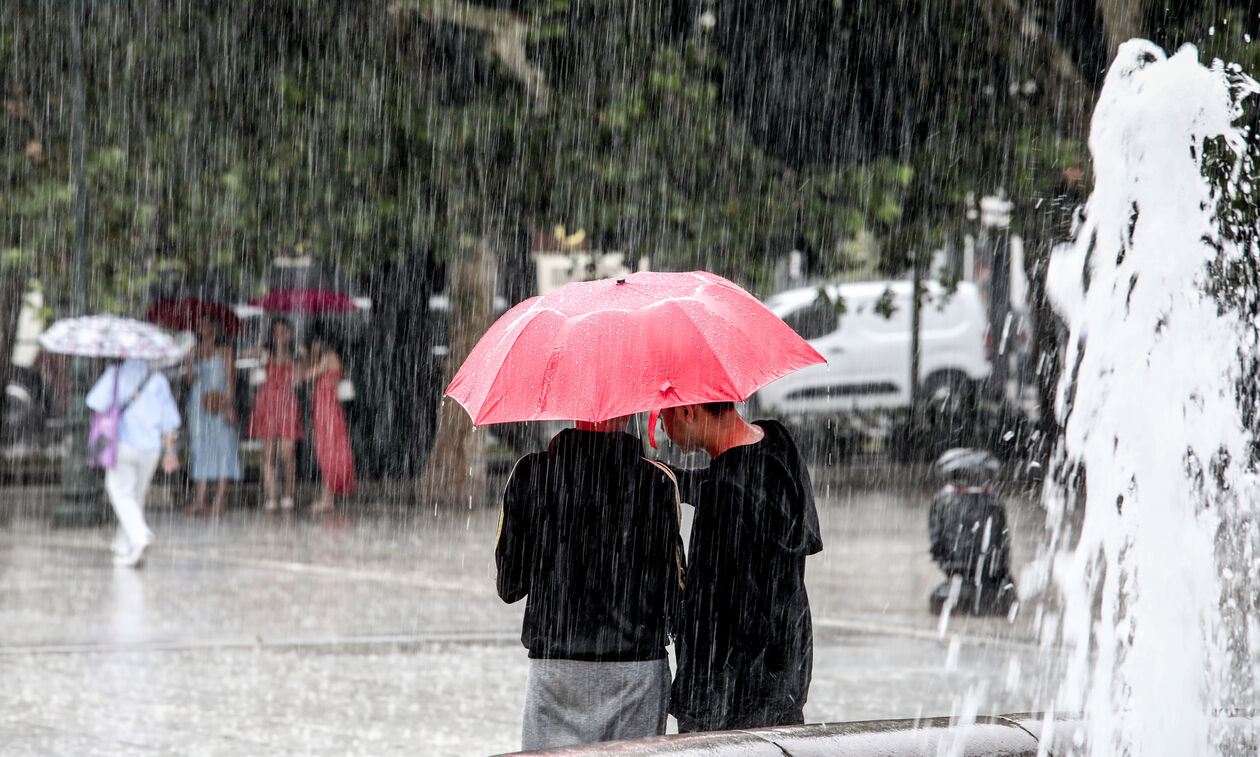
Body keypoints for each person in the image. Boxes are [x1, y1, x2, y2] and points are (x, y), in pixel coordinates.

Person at [495, 416, 684, 750]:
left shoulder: (530, 473)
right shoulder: (657, 481)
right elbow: (676, 598)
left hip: (556, 668)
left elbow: (509, 586)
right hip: (636, 669)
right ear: (628, 411)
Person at [660, 401, 822, 733]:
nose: (661, 427)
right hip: (785, 676)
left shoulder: (724, 497)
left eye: (662, 414)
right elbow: (740, 480)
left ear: (689, 410)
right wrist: (675, 479)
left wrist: (695, 710)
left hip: (731, 704)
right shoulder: (777, 443)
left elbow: (711, 618)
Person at [86, 358, 181, 568]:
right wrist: (170, 452)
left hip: (123, 444)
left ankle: (140, 535)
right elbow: (168, 422)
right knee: (135, 495)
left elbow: (95, 403)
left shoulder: (115, 374)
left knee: (119, 491)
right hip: (152, 449)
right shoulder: (158, 379)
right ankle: (124, 546)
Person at [927, 448, 1017, 616]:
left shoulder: (942, 499)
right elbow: (1003, 542)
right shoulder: (993, 499)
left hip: (957, 576)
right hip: (993, 579)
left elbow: (937, 543)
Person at [183, 316, 243, 515]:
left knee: (224, 447)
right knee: (200, 447)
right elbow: (190, 381)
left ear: (215, 327)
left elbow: (232, 382)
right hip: (198, 404)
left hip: (220, 402)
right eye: (199, 324)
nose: (202, 326)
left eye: (206, 323)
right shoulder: (194, 351)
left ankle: (219, 501)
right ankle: (200, 500)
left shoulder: (226, 351)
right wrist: (189, 362)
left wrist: (229, 406)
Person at [245, 317, 303, 510]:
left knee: (287, 453)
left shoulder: (295, 357)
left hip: (287, 405)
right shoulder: (265, 354)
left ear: (289, 334)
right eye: (276, 331)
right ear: (272, 334)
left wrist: (305, 357)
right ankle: (272, 496)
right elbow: (240, 356)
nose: (279, 335)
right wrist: (255, 353)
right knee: (268, 453)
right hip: (267, 404)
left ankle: (288, 493)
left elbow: (300, 381)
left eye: (283, 331)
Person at [295, 328, 354, 512]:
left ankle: (327, 498)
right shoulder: (328, 358)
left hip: (328, 413)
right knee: (326, 453)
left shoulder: (330, 357)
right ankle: (327, 497)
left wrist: (307, 355)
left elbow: (305, 376)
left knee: (329, 452)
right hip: (323, 413)